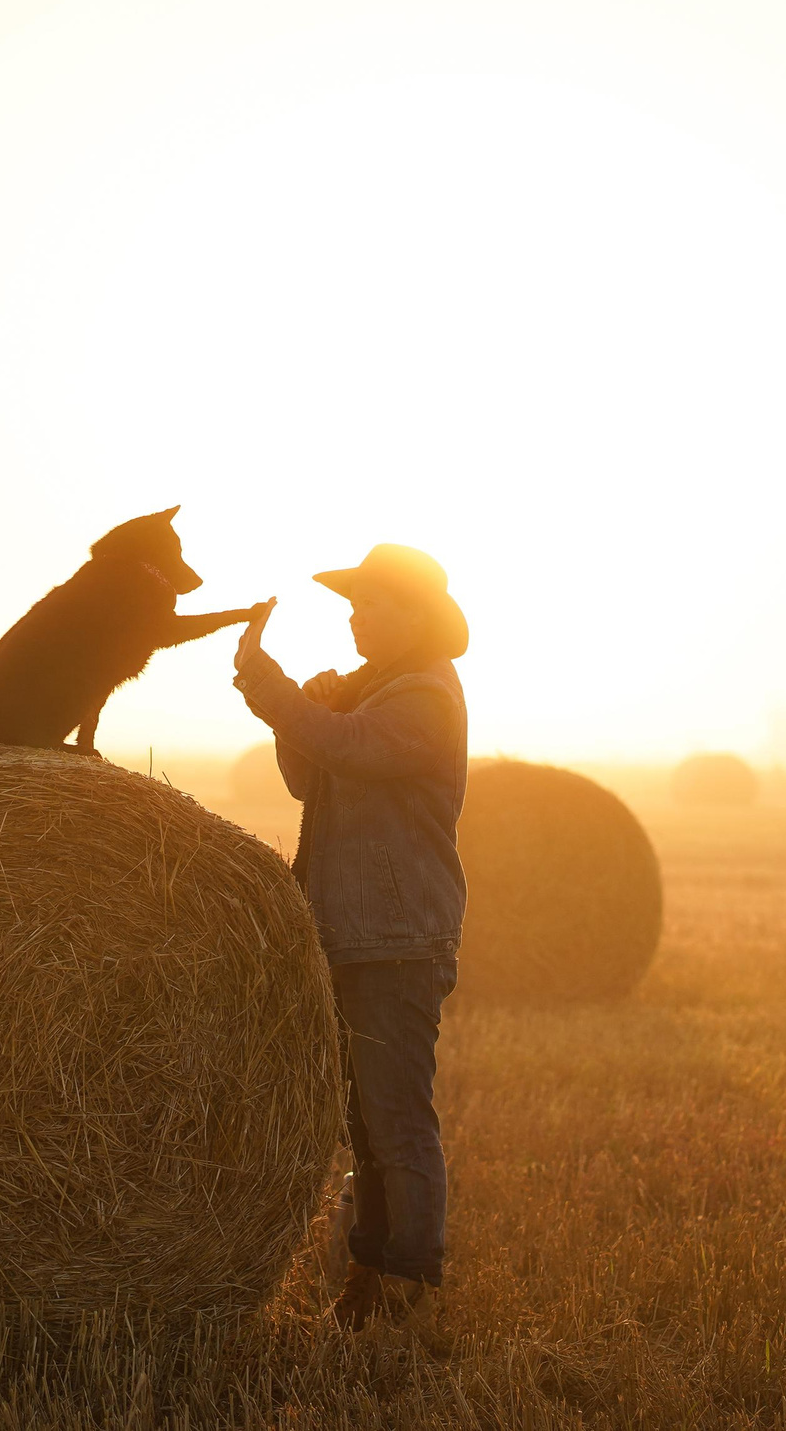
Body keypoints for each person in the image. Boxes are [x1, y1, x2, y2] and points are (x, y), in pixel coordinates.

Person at [231, 544, 468, 1331]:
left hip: (396, 938)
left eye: (370, 604)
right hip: (354, 933)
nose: (356, 616)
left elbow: (352, 749)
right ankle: (373, 1274)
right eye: (353, 604)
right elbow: (313, 773)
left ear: (414, 616)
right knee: (365, 1121)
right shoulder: (374, 691)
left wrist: (281, 697)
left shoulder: (425, 696)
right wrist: (300, 712)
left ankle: (410, 1283)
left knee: (397, 1116)